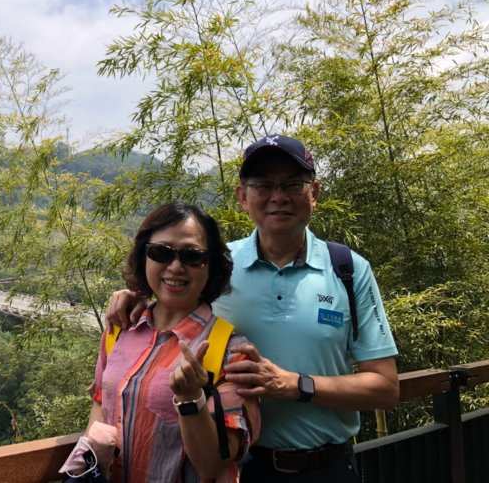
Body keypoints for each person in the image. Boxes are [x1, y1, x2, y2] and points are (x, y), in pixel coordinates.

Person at [106, 135, 399, 482]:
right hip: (239, 466)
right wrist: (134, 295)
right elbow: (170, 300)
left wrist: (296, 385)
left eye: (293, 184)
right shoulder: (215, 266)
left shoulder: (348, 269)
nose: (278, 196)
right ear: (242, 197)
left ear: (314, 193)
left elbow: (385, 387)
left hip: (328, 466)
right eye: (262, 185)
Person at [84, 202, 260, 483]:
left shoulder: (232, 351)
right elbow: (100, 404)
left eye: (192, 256)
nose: (176, 267)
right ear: (145, 257)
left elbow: (214, 466)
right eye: (161, 253)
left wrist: (191, 400)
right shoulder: (121, 329)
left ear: (211, 265)